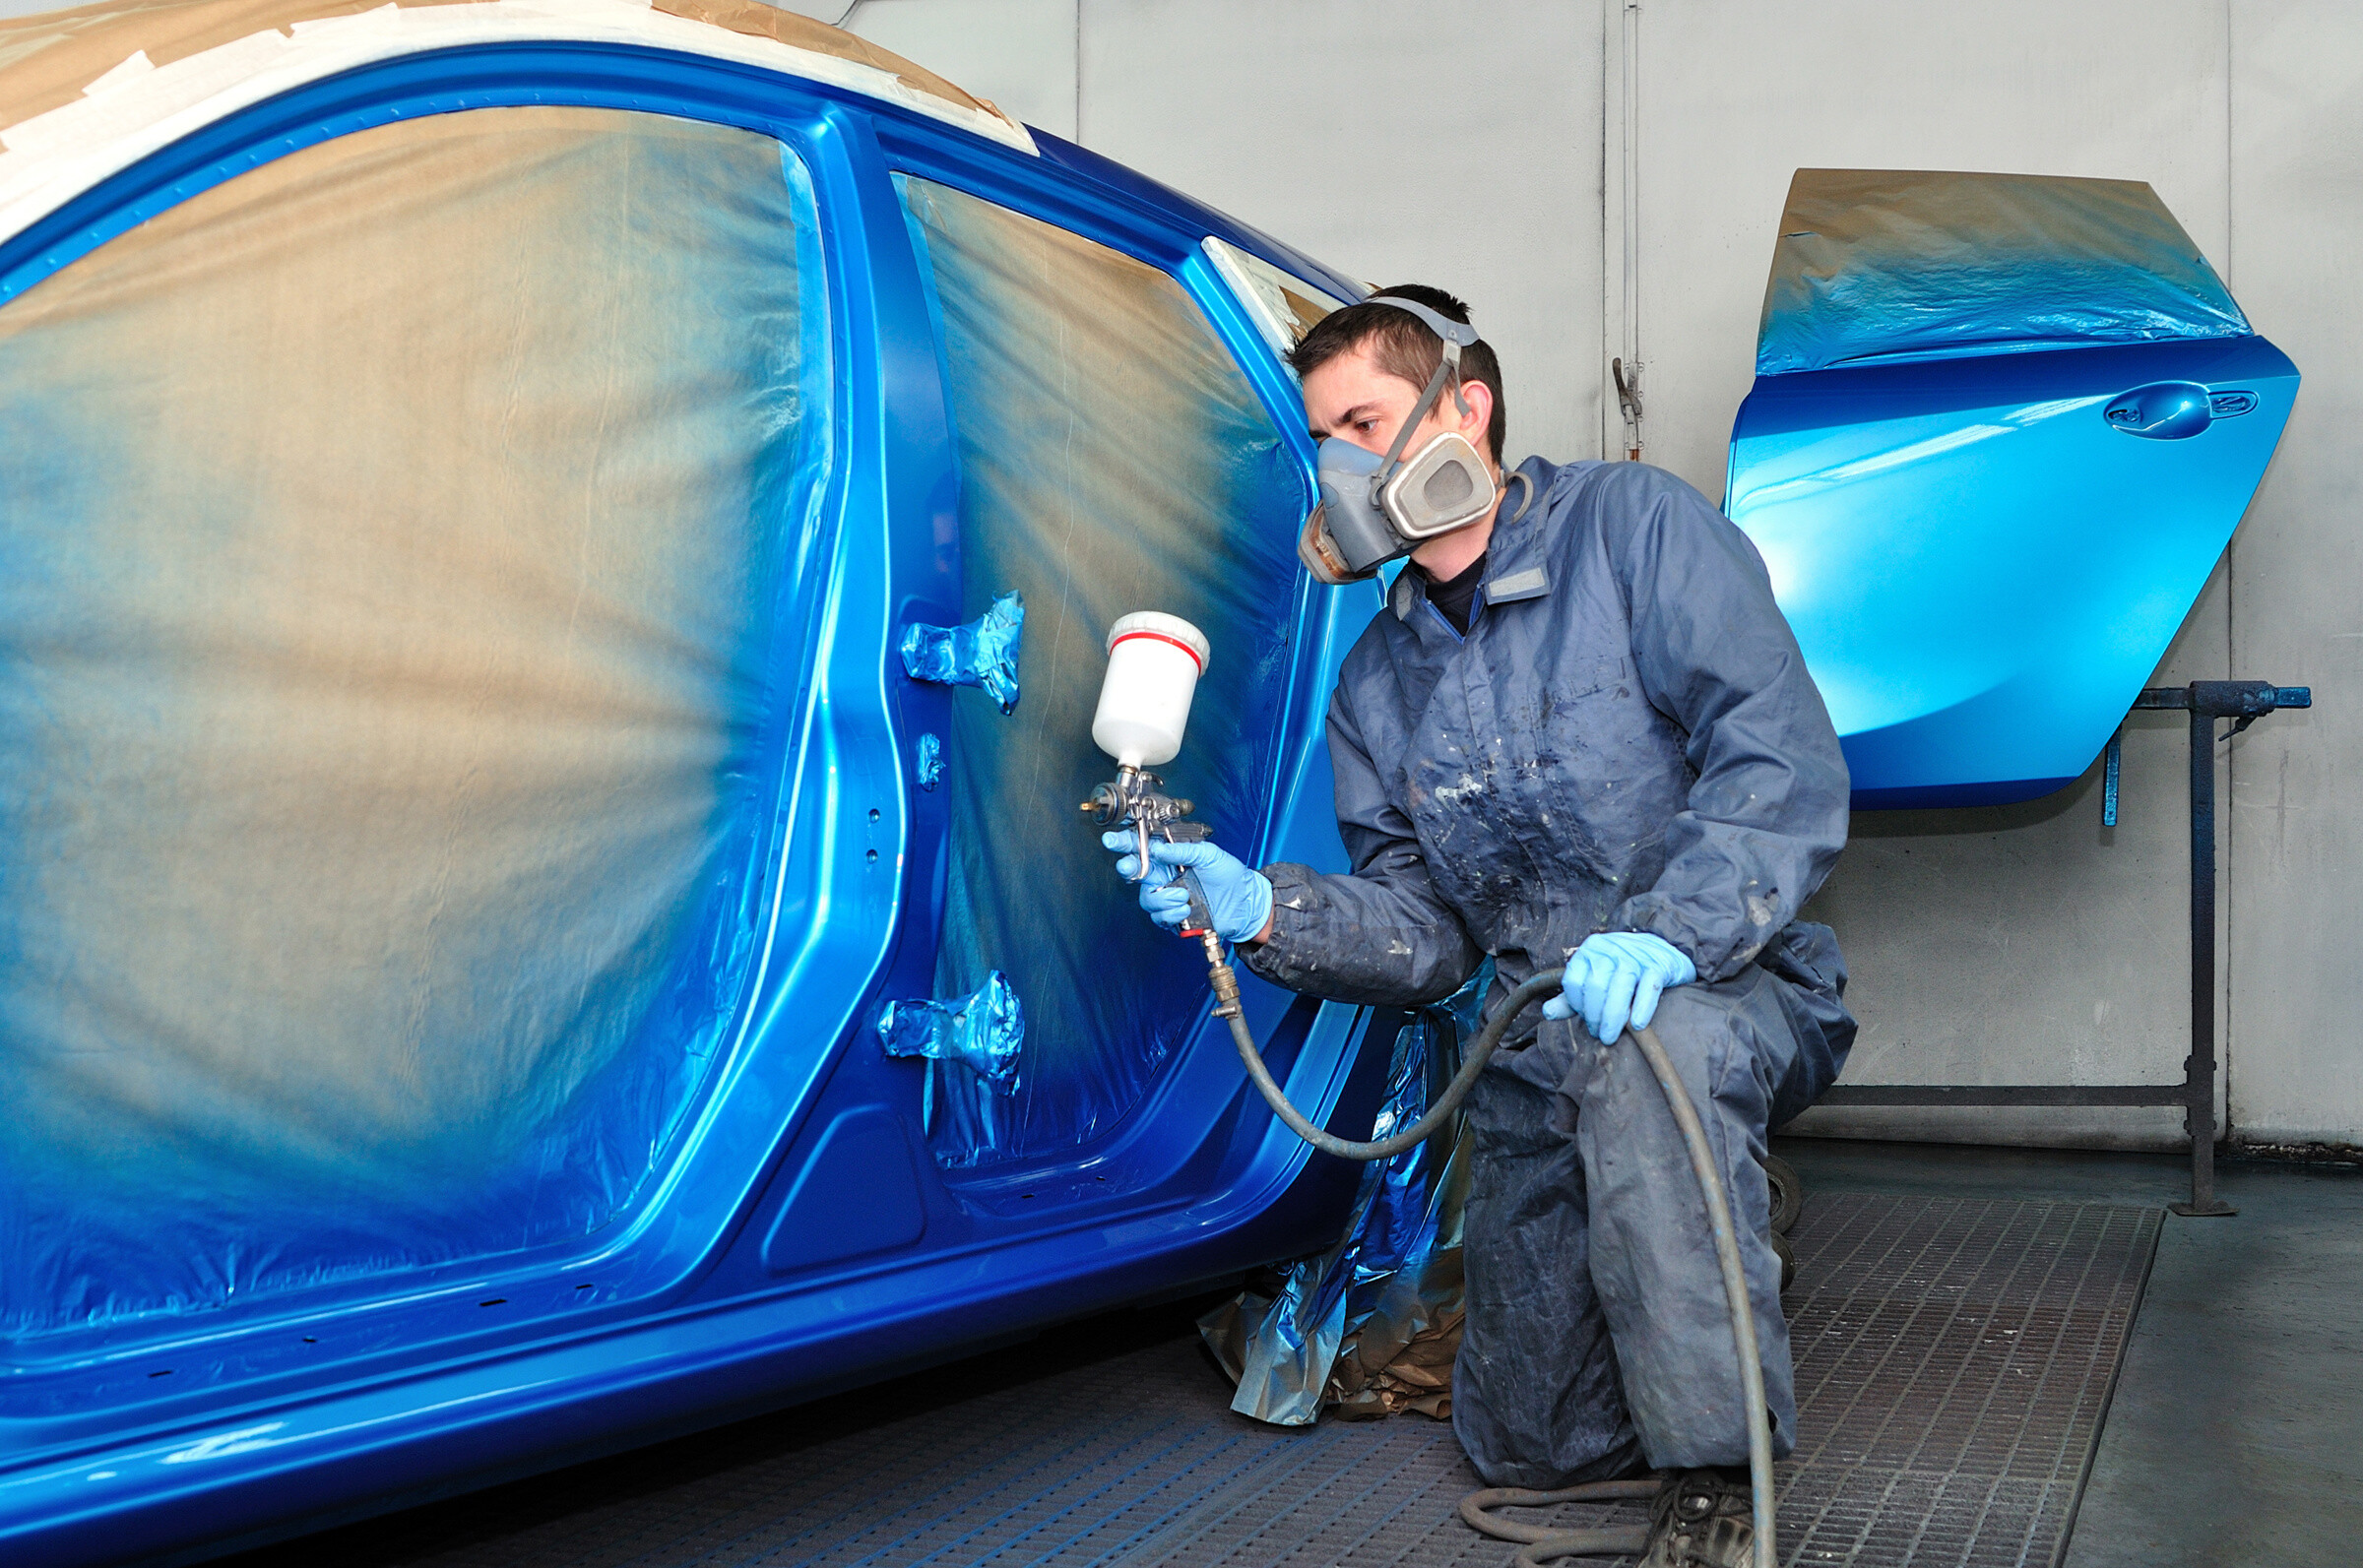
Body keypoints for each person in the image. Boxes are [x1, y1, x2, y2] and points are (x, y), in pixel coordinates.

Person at [1105, 285, 1855, 1568]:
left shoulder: (1636, 533)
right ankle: (1692, 1246)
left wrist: (1673, 930)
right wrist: (1262, 904)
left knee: (1650, 1068)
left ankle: (1722, 1472)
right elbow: (1431, 936)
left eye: (1364, 420)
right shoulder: (1376, 684)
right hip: (1533, 1037)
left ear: (1465, 412)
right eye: (1322, 439)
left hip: (1728, 978)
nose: (1342, 463)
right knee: (1529, 1439)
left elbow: (1776, 760)